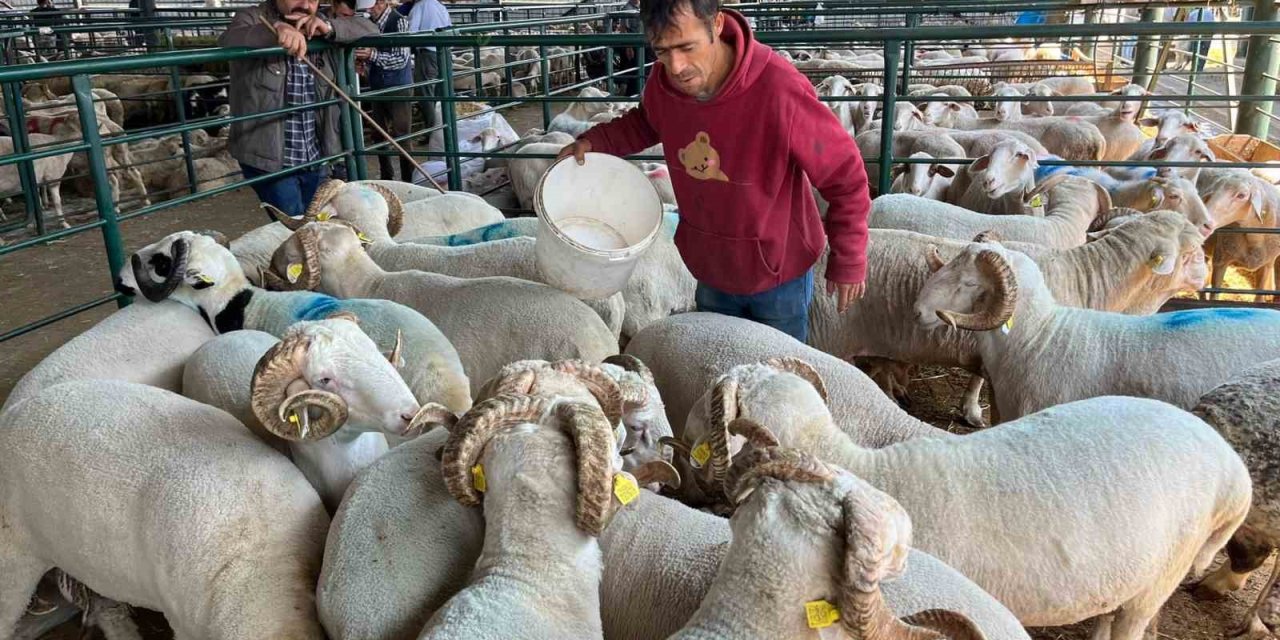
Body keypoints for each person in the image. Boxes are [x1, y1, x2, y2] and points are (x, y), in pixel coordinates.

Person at [558, 0, 871, 342]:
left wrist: (850, 258)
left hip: (777, 273)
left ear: (717, 24)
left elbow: (845, 175)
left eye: (686, 47)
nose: (675, 66)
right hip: (710, 265)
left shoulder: (779, 89)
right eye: (661, 51)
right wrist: (595, 141)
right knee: (717, 363)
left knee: (778, 371)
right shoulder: (665, 85)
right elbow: (647, 122)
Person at [218, 0, 377, 217]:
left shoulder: (320, 21)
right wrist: (274, 31)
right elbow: (230, 39)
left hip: (315, 153)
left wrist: (329, 28)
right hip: (269, 157)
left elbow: (370, 29)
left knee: (316, 223)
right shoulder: (252, 17)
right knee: (295, 225)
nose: (305, 3)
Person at [355, 0, 415, 182]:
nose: (368, 10)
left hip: (398, 87)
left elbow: (401, 59)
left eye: (371, 6)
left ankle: (408, 179)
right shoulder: (370, 22)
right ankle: (386, 175)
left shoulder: (399, 22)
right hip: (378, 86)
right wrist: (362, 63)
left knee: (402, 135)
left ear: (381, 2)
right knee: (378, 134)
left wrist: (371, 55)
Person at [406, 0, 451, 131]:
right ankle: (445, 128)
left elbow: (411, 31)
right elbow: (449, 28)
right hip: (444, 52)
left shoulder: (420, 6)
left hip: (428, 53)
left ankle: (432, 130)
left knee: (425, 92)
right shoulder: (440, 6)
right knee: (441, 91)